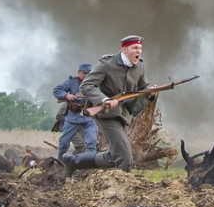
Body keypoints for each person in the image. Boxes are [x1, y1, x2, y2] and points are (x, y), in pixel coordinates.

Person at [64, 35, 152, 178]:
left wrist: (151, 92)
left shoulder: (140, 66)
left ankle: (73, 162)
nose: (139, 51)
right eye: (135, 48)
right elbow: (87, 85)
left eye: (140, 48)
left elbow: (143, 86)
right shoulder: (107, 64)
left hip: (124, 114)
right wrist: (104, 100)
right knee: (124, 156)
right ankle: (125, 189)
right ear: (124, 49)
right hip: (106, 114)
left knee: (114, 156)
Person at [52, 63, 98, 160]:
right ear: (79, 73)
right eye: (84, 73)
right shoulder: (71, 82)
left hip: (89, 117)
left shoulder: (95, 83)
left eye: (88, 73)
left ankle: (90, 163)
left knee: (91, 142)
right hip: (73, 117)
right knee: (64, 142)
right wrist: (66, 95)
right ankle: (60, 163)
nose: (86, 75)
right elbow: (57, 90)